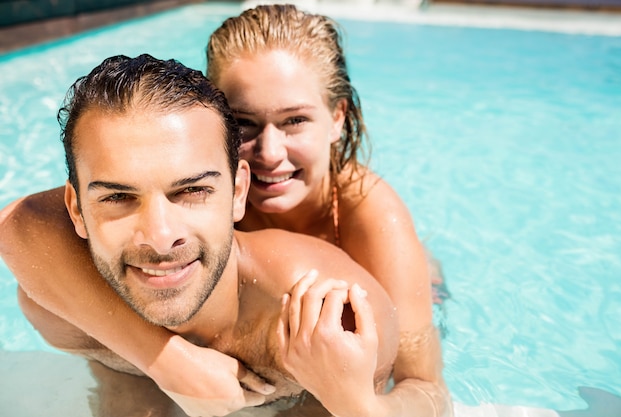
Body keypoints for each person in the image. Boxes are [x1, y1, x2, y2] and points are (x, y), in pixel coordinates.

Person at [0, 4, 451, 416]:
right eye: (243, 123)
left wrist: (358, 402)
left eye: (295, 120)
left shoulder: (369, 217)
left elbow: (424, 386)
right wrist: (167, 359)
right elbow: (19, 225)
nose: (269, 153)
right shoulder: (181, 169)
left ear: (336, 118)